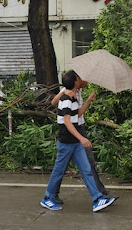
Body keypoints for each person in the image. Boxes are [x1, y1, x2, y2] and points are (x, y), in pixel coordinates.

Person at [40, 71, 116, 213]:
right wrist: (82, 138)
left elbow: (77, 115)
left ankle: (97, 199)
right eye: (80, 78)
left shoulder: (72, 98)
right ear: (76, 81)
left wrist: (87, 101)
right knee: (58, 171)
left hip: (74, 142)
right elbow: (68, 122)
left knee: (87, 170)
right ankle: (48, 198)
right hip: (67, 142)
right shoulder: (67, 100)